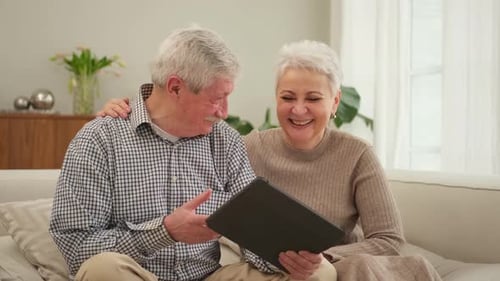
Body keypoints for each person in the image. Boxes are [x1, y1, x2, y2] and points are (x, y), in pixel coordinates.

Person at [99, 39, 443, 280]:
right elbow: (177, 147)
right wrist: (132, 112)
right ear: (276, 98)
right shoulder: (247, 147)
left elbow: (388, 238)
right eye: (287, 97)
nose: (298, 109)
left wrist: (323, 259)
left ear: (335, 102)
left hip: (331, 269)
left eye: (313, 98)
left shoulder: (357, 154)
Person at [49, 26, 335, 281]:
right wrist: (165, 232)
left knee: (319, 272)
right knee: (103, 270)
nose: (224, 112)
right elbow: (76, 247)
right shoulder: (100, 139)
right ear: (175, 87)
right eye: (217, 98)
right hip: (134, 275)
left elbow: (255, 235)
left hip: (208, 276)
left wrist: (288, 258)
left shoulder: (225, 141)